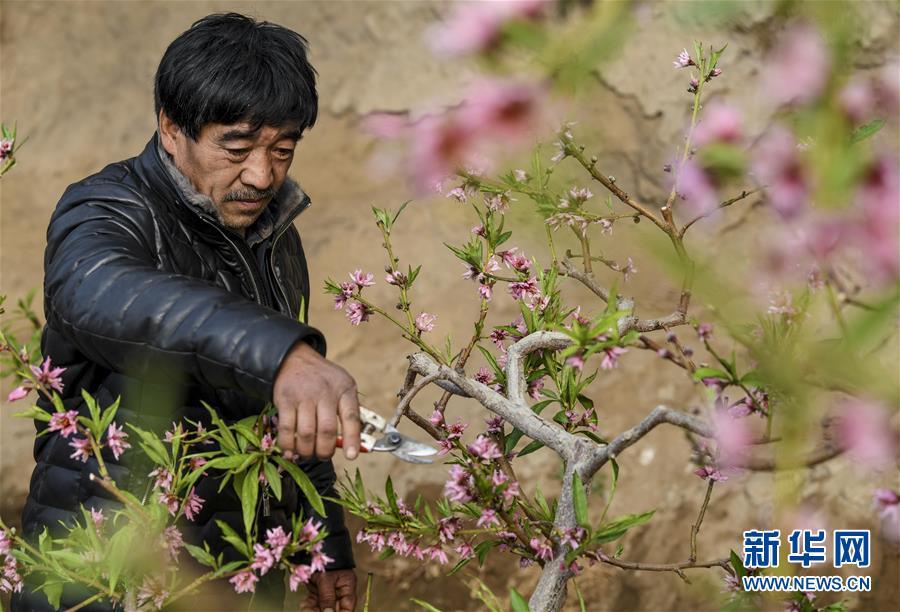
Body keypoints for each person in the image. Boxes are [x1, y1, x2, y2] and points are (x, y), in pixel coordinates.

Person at [13, 13, 361, 612]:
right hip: (110, 576)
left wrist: (318, 542)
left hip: (235, 573)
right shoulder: (107, 208)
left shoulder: (274, 234)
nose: (261, 175)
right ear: (171, 128)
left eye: (282, 150)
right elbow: (98, 290)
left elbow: (291, 421)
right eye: (237, 147)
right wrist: (279, 355)